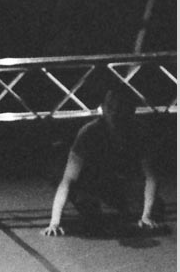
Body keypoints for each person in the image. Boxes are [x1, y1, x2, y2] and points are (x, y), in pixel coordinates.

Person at [42, 86, 161, 236]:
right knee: (90, 211)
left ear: (131, 110)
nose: (115, 113)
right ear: (103, 109)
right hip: (89, 178)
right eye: (110, 107)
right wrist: (55, 221)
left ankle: (115, 200)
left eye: (120, 108)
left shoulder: (140, 132)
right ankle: (89, 202)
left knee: (156, 208)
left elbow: (151, 176)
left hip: (116, 179)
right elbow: (68, 180)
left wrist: (146, 215)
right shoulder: (89, 132)